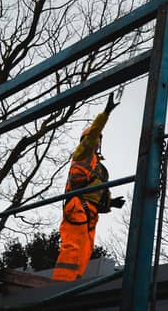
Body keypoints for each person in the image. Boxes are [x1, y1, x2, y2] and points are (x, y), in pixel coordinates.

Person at [52, 93, 126, 281]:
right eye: (95, 138)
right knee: (73, 246)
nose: (97, 140)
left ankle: (74, 280)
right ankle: (61, 283)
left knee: (85, 249)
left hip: (91, 211)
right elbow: (92, 135)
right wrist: (106, 113)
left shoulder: (99, 167)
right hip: (77, 205)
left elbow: (96, 191)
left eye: (99, 139)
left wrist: (111, 202)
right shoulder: (82, 153)